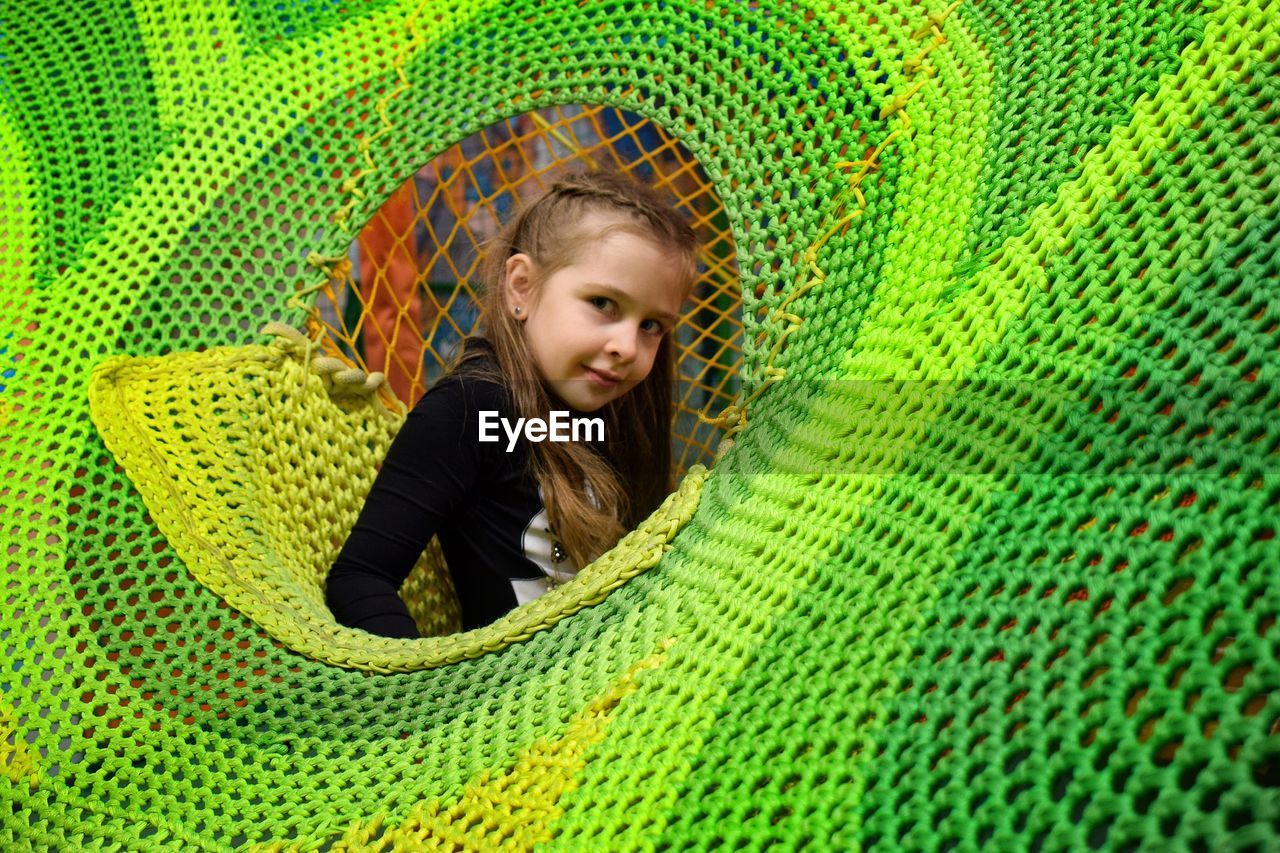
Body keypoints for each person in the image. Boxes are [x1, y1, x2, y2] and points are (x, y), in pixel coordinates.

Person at [325, 170, 698, 636]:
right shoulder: (471, 407)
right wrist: (425, 695)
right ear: (521, 286)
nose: (627, 344)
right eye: (603, 303)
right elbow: (359, 578)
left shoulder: (607, 412)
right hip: (514, 696)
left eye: (652, 326)